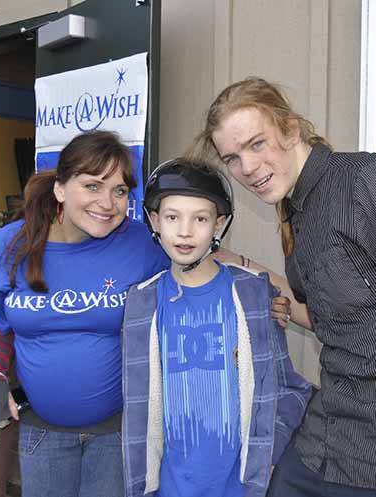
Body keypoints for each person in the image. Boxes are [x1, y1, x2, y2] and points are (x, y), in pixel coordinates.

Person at [188, 77, 376, 497]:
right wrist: (239, 266)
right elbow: (328, 317)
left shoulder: (372, 181)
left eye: (257, 144)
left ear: (291, 129)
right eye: (233, 158)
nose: (247, 168)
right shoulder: (294, 211)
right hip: (323, 439)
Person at [0, 130, 292, 497]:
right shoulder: (8, 247)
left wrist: (262, 299)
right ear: (60, 188)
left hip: (118, 433)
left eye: (119, 191)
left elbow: (198, 262)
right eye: (93, 186)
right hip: (42, 432)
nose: (107, 203)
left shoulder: (141, 243)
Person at [121, 158, 312, 497]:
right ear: (154, 220)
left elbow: (290, 389)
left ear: (219, 225)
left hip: (239, 484)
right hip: (169, 486)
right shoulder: (142, 303)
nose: (184, 230)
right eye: (172, 217)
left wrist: (268, 451)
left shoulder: (253, 296)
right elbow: (138, 403)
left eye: (200, 218)